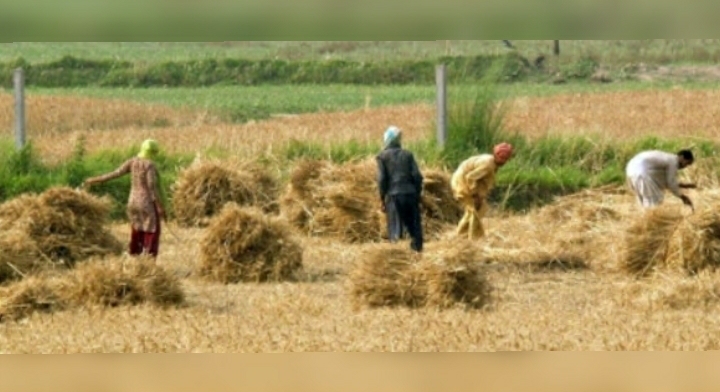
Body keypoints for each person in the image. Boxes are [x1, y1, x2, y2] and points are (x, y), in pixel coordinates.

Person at [83, 139, 167, 258]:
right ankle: (148, 261)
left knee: (137, 229)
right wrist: (159, 206)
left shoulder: (132, 161)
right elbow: (151, 187)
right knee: (151, 231)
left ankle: (134, 256)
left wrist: (96, 179)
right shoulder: (149, 165)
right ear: (153, 152)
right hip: (146, 203)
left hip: (133, 202)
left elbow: (115, 173)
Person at [451, 143, 513, 240]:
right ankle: (473, 239)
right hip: (462, 183)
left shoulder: (491, 161)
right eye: (502, 159)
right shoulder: (487, 165)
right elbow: (470, 177)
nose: (503, 162)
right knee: (475, 212)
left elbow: (480, 179)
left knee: (473, 212)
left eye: (505, 159)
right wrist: (475, 195)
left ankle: (461, 236)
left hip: (462, 180)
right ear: (496, 155)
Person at [376, 126, 424, 252]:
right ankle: (417, 255)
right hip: (410, 194)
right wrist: (417, 194)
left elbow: (382, 179)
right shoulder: (408, 155)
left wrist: (382, 198)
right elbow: (417, 176)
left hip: (393, 196)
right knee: (414, 229)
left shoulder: (382, 157)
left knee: (395, 229)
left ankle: (398, 257)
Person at [625, 149, 696, 210]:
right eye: (687, 163)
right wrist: (683, 197)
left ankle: (644, 220)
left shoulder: (665, 159)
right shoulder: (673, 161)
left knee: (643, 200)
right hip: (641, 173)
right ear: (682, 157)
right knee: (654, 201)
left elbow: (663, 179)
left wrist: (685, 185)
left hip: (631, 170)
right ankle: (650, 222)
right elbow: (671, 183)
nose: (685, 166)